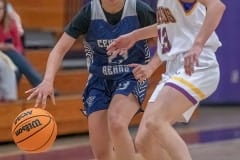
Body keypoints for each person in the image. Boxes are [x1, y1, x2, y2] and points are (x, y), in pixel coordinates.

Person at [25, 0, 156, 160]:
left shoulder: (139, 9)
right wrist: (47, 80)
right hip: (99, 81)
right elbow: (59, 49)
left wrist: (151, 67)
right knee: (102, 154)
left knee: (116, 122)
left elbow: (166, 37)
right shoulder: (88, 12)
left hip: (131, 75)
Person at [107, 0, 226, 159]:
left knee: (156, 121)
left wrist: (198, 44)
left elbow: (217, 6)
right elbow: (168, 30)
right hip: (174, 68)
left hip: (197, 65)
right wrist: (135, 37)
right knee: (144, 140)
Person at [0, 0, 42, 88]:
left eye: (1, 9)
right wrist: (2, 46)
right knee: (14, 58)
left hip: (11, 56)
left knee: (17, 69)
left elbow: (18, 45)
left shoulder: (11, 23)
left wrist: (16, 53)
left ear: (5, 10)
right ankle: (40, 85)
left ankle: (10, 99)